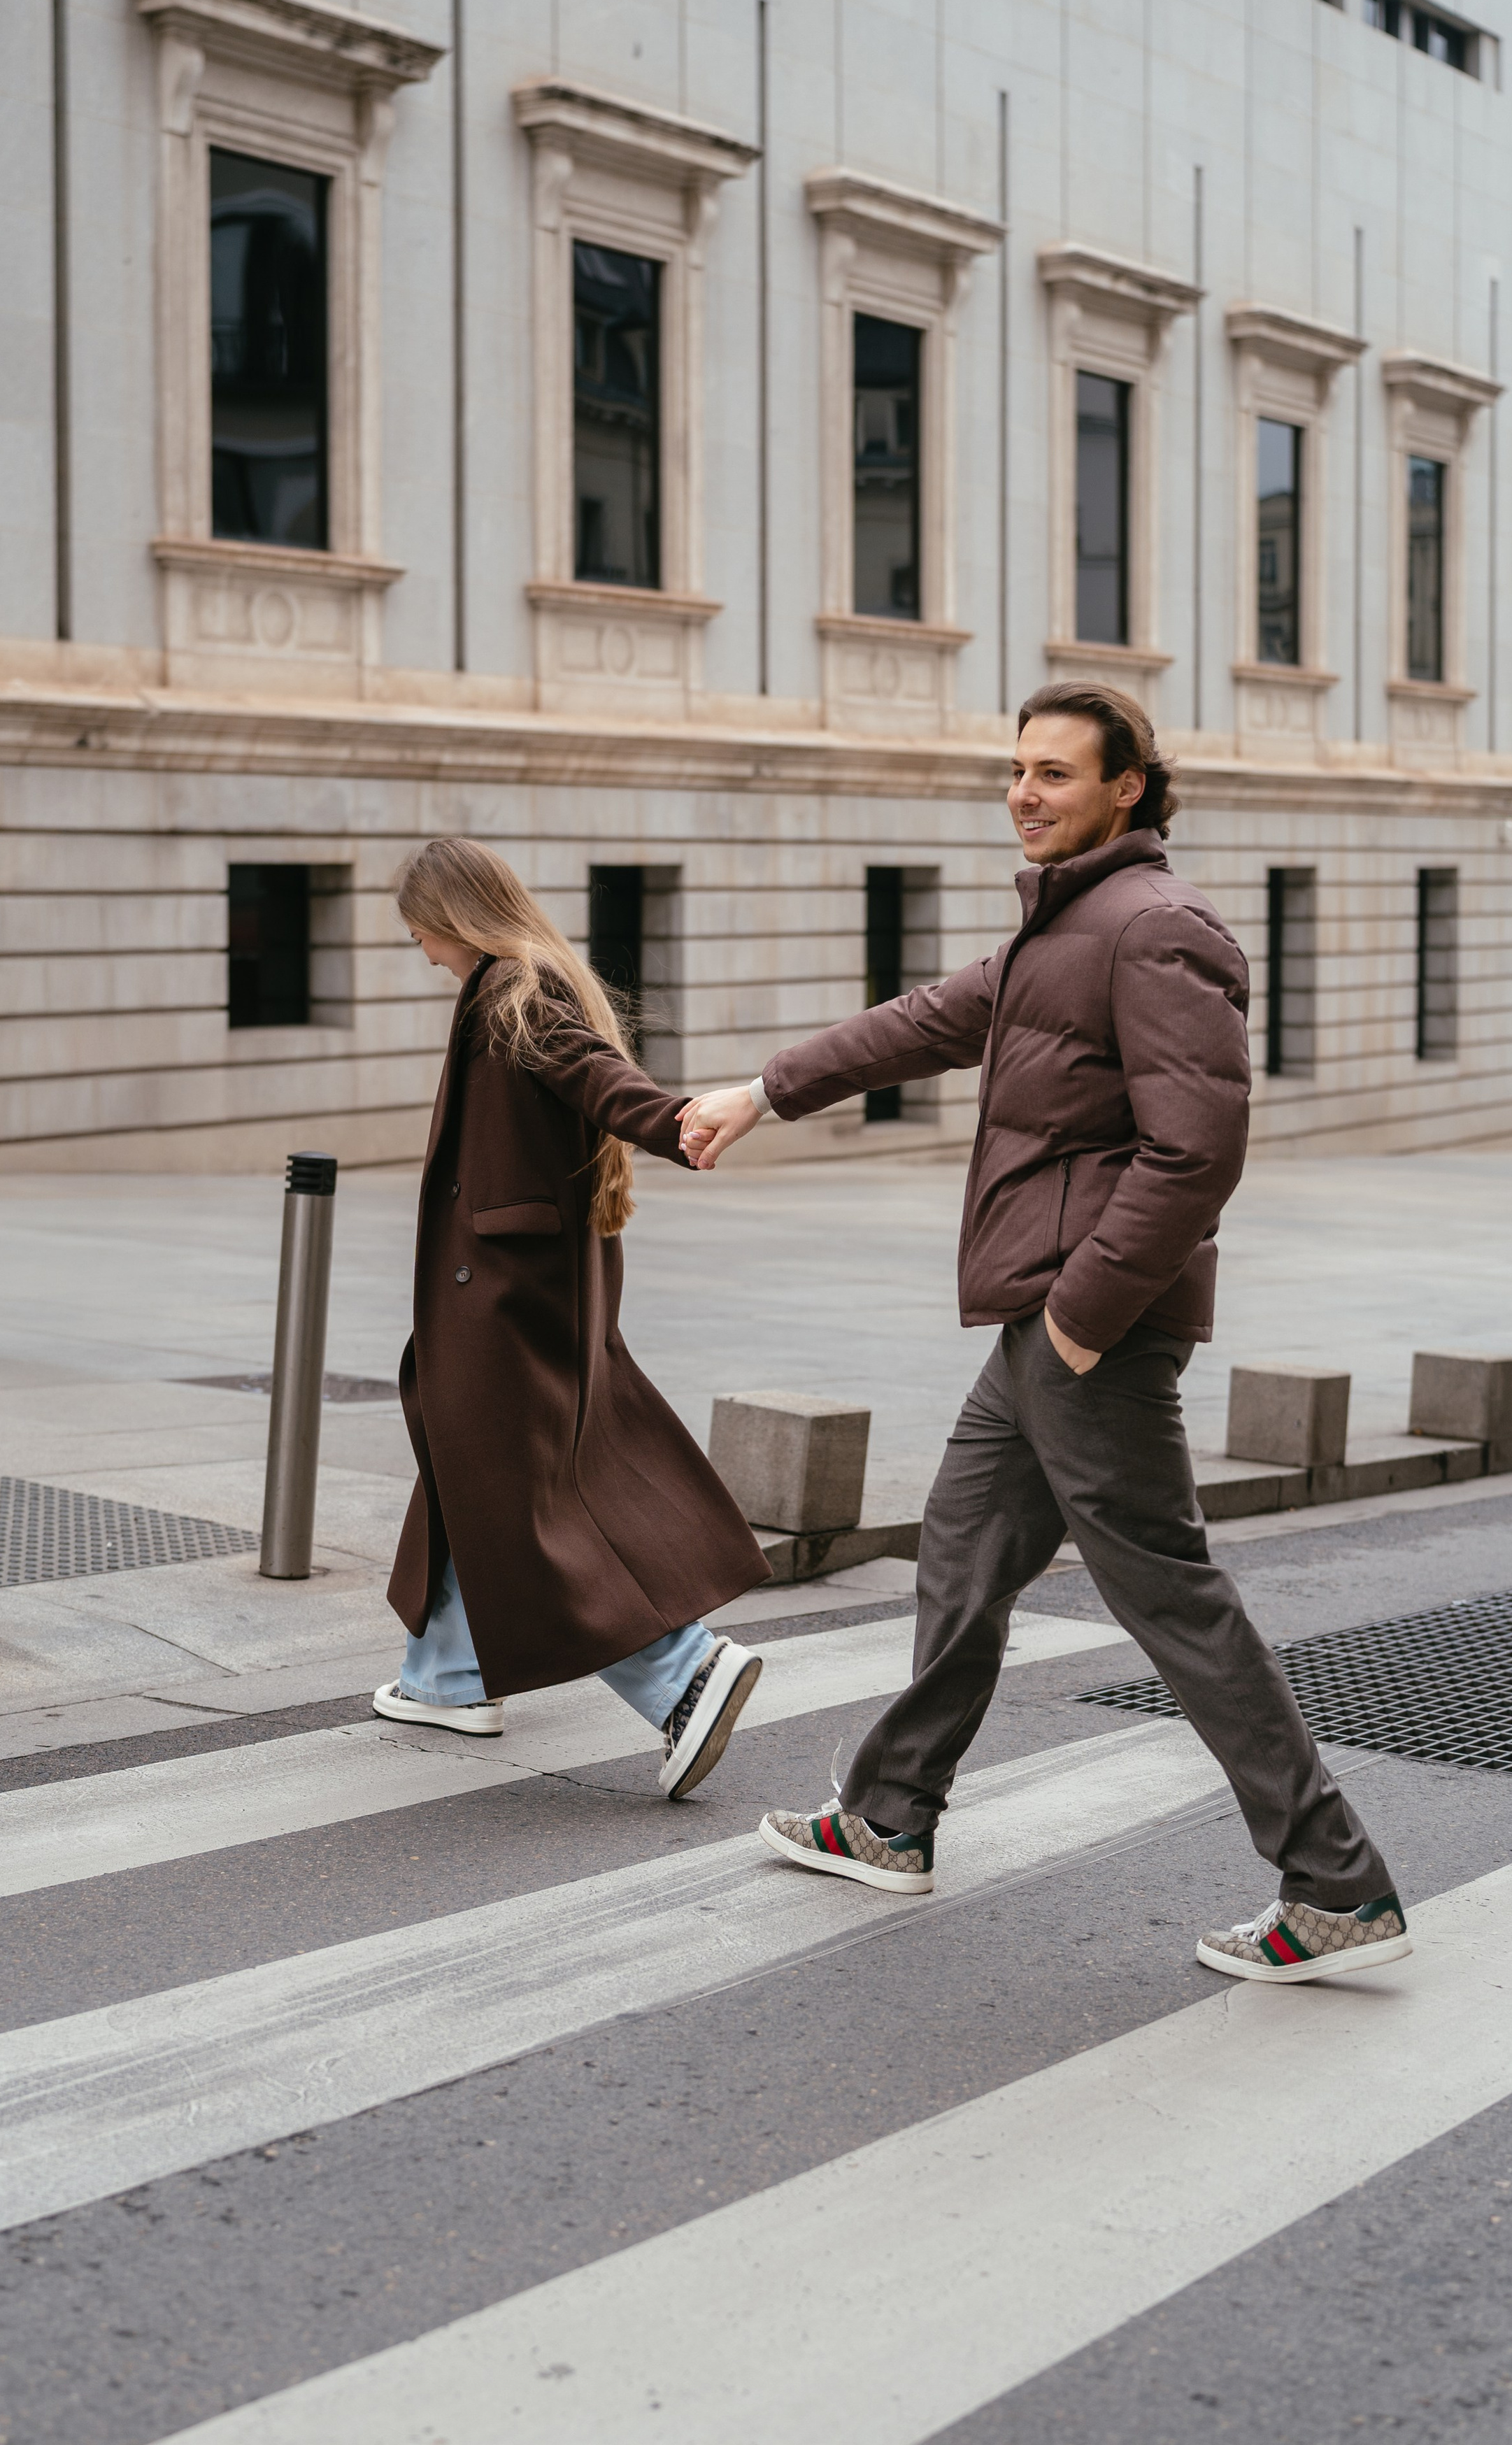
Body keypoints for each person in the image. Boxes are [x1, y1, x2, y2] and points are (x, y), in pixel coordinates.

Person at [679, 683, 1411, 1984]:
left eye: (1055, 773)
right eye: (1017, 768)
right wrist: (760, 1091)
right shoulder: (1055, 929)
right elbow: (913, 1024)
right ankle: (891, 1813)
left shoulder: (1153, 929)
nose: (1025, 791)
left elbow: (1198, 1151)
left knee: (1171, 1596)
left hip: (1089, 1329)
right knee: (962, 1552)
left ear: (1128, 787)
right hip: (1042, 1325)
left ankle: (1334, 1878)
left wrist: (1080, 1317)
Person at [379, 836, 770, 1800]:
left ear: (450, 915)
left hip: (507, 1301)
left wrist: (682, 1120)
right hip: (511, 1289)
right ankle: (451, 1674)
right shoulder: (521, 982)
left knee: (522, 1500)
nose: (421, 950)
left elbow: (599, 1078)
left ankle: (682, 1672)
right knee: (471, 1469)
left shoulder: (519, 991)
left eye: (418, 931)